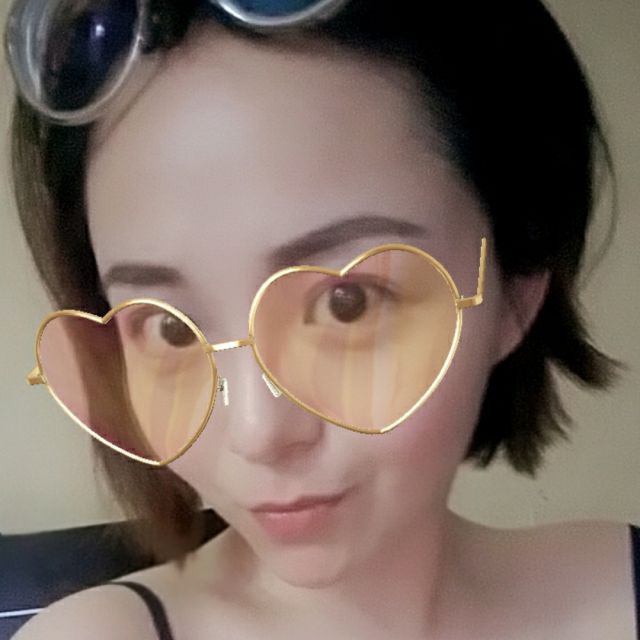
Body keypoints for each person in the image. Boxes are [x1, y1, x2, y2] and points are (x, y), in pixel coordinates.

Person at [5, 0, 639, 638]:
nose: (257, 432)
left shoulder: (623, 588)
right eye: (169, 329)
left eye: (346, 301)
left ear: (518, 285)